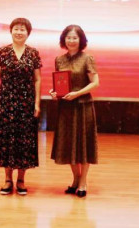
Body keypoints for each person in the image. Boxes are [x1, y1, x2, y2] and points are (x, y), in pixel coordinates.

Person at [0, 18, 42, 195]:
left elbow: (37, 79)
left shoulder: (33, 53)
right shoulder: (2, 52)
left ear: (28, 33)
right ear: (11, 31)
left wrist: (37, 103)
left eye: (23, 29)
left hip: (27, 104)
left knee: (24, 141)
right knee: (7, 140)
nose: (19, 32)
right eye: (16, 29)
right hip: (6, 102)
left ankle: (21, 180)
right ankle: (7, 180)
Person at [49, 24, 99, 198]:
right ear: (64, 40)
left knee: (84, 145)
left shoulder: (87, 58)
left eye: (74, 38)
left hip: (83, 106)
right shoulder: (59, 60)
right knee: (68, 144)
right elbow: (59, 83)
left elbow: (95, 83)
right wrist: (54, 93)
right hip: (66, 108)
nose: (71, 41)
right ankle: (76, 179)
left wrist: (77, 93)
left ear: (81, 40)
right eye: (68, 37)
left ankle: (83, 181)